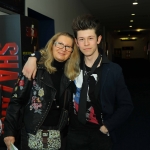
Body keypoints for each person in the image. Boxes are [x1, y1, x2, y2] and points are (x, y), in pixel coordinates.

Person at [21, 14, 134, 150]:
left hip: (101, 134)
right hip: (73, 133)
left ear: (98, 39)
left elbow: (127, 105)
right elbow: (52, 52)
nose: (86, 44)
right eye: (82, 39)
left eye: (90, 38)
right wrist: (34, 56)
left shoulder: (113, 70)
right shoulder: (71, 65)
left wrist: (107, 126)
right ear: (76, 42)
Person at [3, 32, 80, 150]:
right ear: (52, 45)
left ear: (71, 52)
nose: (63, 49)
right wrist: (9, 132)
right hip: (32, 135)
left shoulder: (72, 74)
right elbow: (16, 101)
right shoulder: (35, 68)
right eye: (59, 44)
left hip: (59, 137)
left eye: (68, 46)